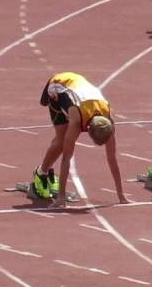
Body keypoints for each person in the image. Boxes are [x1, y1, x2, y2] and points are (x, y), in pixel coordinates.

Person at [33, 72, 128, 207]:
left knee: (64, 140)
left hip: (77, 85)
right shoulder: (77, 119)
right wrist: (61, 196)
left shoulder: (108, 118)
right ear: (88, 129)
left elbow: (112, 157)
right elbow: (67, 158)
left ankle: (43, 173)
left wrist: (121, 194)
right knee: (61, 141)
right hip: (57, 87)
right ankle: (41, 173)